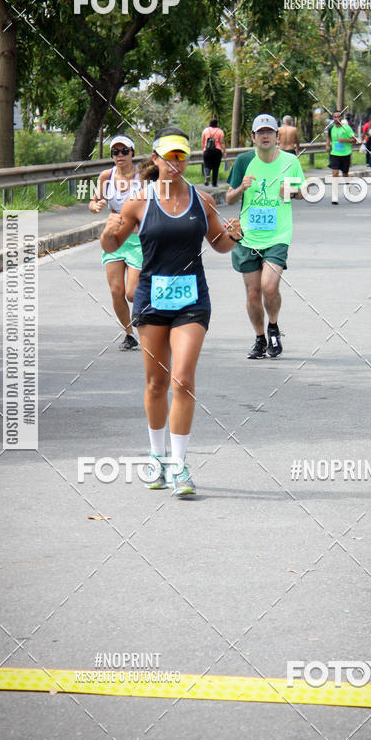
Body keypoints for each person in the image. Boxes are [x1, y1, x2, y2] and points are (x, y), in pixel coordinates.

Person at [100, 126, 241, 497]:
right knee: (156, 383)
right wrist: (108, 231)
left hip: (192, 301)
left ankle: (179, 466)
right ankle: (156, 457)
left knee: (182, 380)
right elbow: (112, 244)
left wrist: (233, 235)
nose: (176, 163)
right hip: (151, 300)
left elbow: (219, 243)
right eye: (169, 157)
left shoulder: (201, 200)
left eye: (182, 157)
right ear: (156, 159)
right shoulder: (138, 203)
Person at [225, 113, 304, 359]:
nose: (266, 136)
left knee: (269, 287)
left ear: (277, 136)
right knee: (252, 293)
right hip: (248, 236)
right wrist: (242, 187)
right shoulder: (244, 161)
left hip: (278, 234)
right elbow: (229, 198)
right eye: (261, 132)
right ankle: (260, 339)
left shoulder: (291, 161)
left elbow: (302, 192)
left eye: (270, 131)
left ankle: (273, 327)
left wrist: (290, 190)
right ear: (253, 137)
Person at [89, 134, 143, 351]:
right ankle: (129, 334)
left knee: (132, 293)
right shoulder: (106, 176)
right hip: (113, 239)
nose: (120, 155)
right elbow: (93, 202)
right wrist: (96, 206)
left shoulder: (143, 176)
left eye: (124, 151)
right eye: (115, 152)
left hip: (138, 240)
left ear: (132, 153)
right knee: (116, 291)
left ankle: (146, 310)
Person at [325, 109, 357, 188]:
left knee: (345, 174)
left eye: (338, 117)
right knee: (335, 173)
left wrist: (344, 140)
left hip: (345, 154)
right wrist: (327, 145)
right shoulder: (331, 128)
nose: (336, 119)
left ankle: (348, 187)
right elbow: (329, 138)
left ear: (341, 118)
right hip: (334, 154)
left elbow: (354, 140)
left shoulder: (347, 128)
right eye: (335, 117)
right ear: (333, 118)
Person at [201, 118, 227, 187]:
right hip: (217, 151)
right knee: (216, 167)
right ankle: (214, 183)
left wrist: (203, 149)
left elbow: (203, 141)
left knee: (206, 165)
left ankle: (207, 174)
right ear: (217, 123)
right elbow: (222, 142)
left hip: (207, 150)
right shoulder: (220, 131)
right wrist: (224, 151)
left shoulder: (205, 130)